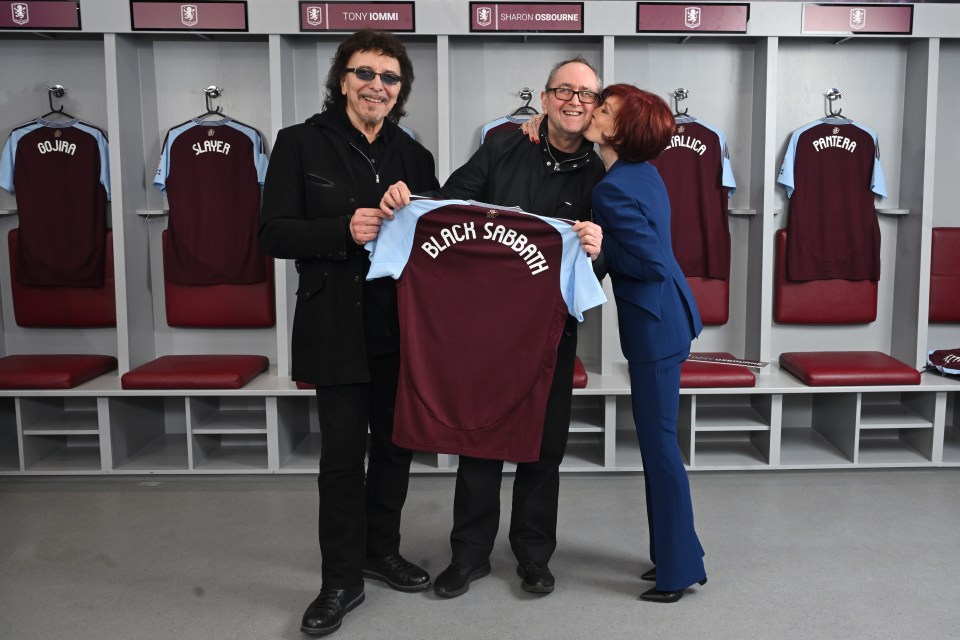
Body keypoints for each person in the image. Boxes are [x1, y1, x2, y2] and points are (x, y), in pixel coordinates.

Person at [379, 57, 604, 598]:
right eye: (564, 90)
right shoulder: (504, 146)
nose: (574, 100)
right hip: (484, 330)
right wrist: (405, 202)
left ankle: (533, 556)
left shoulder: (603, 175)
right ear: (546, 98)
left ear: (596, 107)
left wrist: (599, 249)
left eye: (586, 94)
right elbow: (450, 205)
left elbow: (599, 268)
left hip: (551, 330)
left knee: (543, 447)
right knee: (481, 438)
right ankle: (470, 555)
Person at [258, 30, 440, 636]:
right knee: (341, 458)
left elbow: (436, 240)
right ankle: (339, 580)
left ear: (400, 91)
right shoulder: (298, 144)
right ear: (343, 79)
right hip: (333, 323)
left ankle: (379, 551)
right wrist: (344, 229)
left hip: (399, 324)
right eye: (365, 74)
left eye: (390, 79)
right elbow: (274, 235)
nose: (377, 87)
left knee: (394, 448)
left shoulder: (415, 157)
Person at [584, 83, 707, 603]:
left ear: (621, 130)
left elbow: (652, 261)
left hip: (654, 329)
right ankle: (678, 557)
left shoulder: (613, 188)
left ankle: (678, 571)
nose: (593, 111)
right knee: (660, 447)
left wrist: (602, 245)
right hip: (668, 320)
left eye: (604, 109)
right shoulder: (642, 174)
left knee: (659, 450)